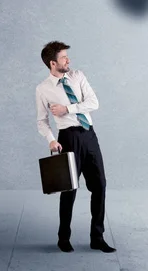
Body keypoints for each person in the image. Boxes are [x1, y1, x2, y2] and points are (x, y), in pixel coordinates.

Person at [35, 41, 116, 253]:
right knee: (69, 189)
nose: (68, 60)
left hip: (89, 135)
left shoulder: (78, 76)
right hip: (68, 138)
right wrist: (51, 139)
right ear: (53, 63)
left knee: (99, 185)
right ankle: (63, 238)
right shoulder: (43, 89)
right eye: (63, 57)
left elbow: (93, 103)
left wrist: (67, 108)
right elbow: (41, 121)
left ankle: (97, 237)